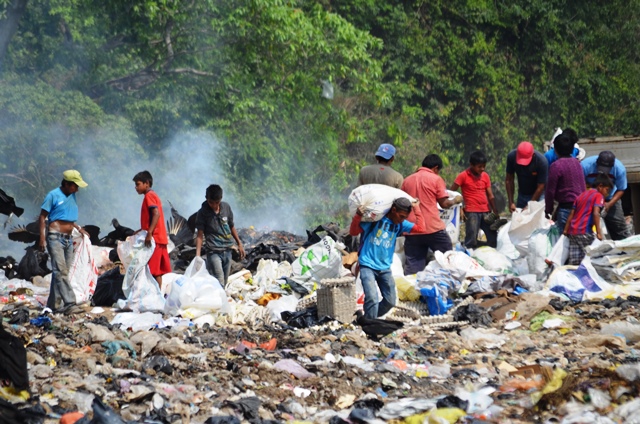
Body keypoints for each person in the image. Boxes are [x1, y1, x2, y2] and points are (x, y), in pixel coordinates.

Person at [350, 198, 424, 319]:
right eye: (401, 216)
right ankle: (371, 324)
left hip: (385, 268)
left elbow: (421, 228)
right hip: (367, 265)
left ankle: (369, 319)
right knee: (372, 298)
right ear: (393, 210)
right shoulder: (375, 220)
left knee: (390, 301)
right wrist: (358, 216)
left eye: (404, 217)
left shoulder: (400, 224)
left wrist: (416, 208)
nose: (402, 219)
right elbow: (353, 232)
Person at [38, 170, 89, 315]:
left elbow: (68, 217)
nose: (77, 189)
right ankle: (70, 303)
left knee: (60, 272)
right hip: (55, 237)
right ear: (67, 184)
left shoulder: (72, 195)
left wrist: (79, 228)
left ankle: (53, 305)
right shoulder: (53, 195)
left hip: (68, 238)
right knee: (60, 271)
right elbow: (42, 217)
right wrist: (42, 237)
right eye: (75, 186)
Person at [401, 154, 461, 274]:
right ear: (436, 168)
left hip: (412, 228)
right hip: (432, 228)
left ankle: (413, 288)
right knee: (447, 257)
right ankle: (448, 281)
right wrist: (456, 200)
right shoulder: (436, 179)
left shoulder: (407, 180)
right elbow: (444, 203)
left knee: (414, 264)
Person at [195, 184, 245, 286]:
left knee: (225, 281)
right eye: (211, 202)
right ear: (206, 199)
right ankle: (220, 301)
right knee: (219, 280)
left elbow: (231, 226)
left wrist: (239, 243)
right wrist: (198, 256)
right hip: (213, 251)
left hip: (227, 250)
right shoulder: (202, 213)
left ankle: (219, 300)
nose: (214, 205)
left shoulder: (226, 208)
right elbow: (199, 235)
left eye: (217, 202)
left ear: (221, 199)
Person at [450, 151, 500, 249]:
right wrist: (460, 208)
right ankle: (470, 255)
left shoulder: (485, 176)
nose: (482, 169)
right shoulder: (463, 176)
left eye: (484, 166)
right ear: (471, 165)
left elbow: (490, 195)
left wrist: (495, 210)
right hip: (471, 211)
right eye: (479, 166)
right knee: (471, 237)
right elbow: (452, 192)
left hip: (486, 211)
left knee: (492, 235)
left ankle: (491, 255)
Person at [133, 171, 171, 289]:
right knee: (156, 271)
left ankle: (155, 296)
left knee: (151, 271)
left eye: (138, 184)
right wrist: (141, 230)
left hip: (155, 238)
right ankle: (157, 295)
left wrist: (149, 233)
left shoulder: (149, 195)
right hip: (159, 237)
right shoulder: (152, 195)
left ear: (147, 183)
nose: (136, 187)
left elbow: (156, 214)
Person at [563, 174, 613, 265]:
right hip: (585, 231)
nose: (607, 194)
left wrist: (566, 230)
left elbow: (571, 213)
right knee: (594, 259)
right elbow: (596, 213)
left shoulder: (581, 195)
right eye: (607, 190)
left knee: (575, 262)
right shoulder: (598, 196)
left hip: (573, 232)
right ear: (600, 186)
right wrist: (598, 232)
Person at [581, 151, 632, 240]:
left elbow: (621, 189)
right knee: (585, 225)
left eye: (606, 169)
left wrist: (609, 204)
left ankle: (624, 248)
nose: (603, 171)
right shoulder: (585, 166)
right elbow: (579, 184)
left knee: (619, 227)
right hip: (589, 199)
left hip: (610, 199)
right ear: (597, 163)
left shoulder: (619, 169)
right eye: (601, 168)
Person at [545, 133, 586, 231]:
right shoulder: (577, 163)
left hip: (566, 209)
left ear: (555, 150)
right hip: (581, 208)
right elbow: (582, 185)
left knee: (564, 241)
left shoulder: (556, 166)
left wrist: (548, 210)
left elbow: (550, 191)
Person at [506, 141, 548, 211]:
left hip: (539, 194)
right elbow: (509, 180)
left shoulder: (541, 162)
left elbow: (541, 186)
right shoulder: (511, 157)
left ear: (533, 155)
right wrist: (511, 202)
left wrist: (529, 206)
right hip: (522, 194)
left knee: (536, 218)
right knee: (521, 218)